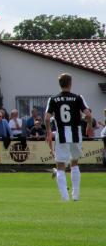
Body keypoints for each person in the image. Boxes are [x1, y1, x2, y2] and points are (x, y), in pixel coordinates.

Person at [44, 73, 92, 202]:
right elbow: (88, 114)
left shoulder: (53, 99)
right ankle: (75, 195)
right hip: (76, 134)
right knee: (74, 163)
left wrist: (49, 132)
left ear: (60, 84)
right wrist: (88, 125)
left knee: (60, 165)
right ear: (70, 83)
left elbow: (47, 118)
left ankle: (64, 197)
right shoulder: (78, 98)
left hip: (62, 135)